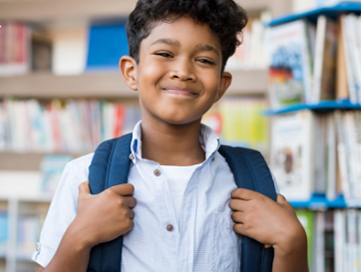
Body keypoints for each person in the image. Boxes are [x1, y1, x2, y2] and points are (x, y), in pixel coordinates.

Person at [33, 0, 309, 271]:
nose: (183, 72)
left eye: (204, 60)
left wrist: (293, 242)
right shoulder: (83, 177)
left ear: (221, 86)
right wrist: (79, 237)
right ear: (131, 72)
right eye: (165, 54)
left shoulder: (252, 180)